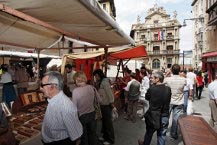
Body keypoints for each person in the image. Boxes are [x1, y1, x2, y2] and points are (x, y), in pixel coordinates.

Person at [40, 71, 83, 145]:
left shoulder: (66, 106)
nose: (40, 88)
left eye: (42, 85)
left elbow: (76, 136)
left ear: (52, 87)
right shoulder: (53, 99)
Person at [139, 71, 171, 145]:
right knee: (161, 135)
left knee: (149, 133)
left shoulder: (152, 89)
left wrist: (152, 87)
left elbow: (147, 97)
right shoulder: (168, 89)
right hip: (164, 116)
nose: (151, 79)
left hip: (153, 116)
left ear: (157, 79)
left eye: (153, 78)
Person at [72, 71, 101, 145]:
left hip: (82, 117)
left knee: (84, 137)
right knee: (92, 135)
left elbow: (74, 108)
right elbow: (99, 100)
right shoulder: (92, 87)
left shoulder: (75, 91)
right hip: (92, 114)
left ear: (76, 80)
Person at [164, 64, 187, 140]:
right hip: (179, 102)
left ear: (172, 71)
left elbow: (162, 81)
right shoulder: (183, 79)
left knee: (166, 116)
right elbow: (186, 82)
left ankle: (163, 131)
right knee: (175, 119)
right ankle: (173, 134)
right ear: (179, 71)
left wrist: (167, 73)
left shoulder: (167, 79)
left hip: (169, 101)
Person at [93, 69, 115, 145]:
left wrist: (112, 103)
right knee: (104, 122)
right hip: (102, 104)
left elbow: (109, 93)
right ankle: (105, 137)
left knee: (108, 123)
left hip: (106, 104)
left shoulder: (105, 82)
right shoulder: (100, 82)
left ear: (99, 75)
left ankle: (110, 140)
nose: (95, 77)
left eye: (96, 76)